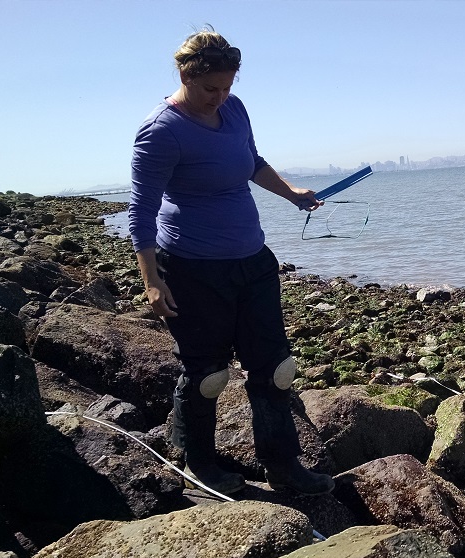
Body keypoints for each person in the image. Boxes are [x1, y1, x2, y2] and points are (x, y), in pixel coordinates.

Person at [128, 27, 334, 496]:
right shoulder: (161, 131)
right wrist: (152, 281)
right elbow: (140, 212)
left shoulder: (234, 110)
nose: (219, 97)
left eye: (228, 87)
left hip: (252, 260)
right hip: (193, 268)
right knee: (207, 375)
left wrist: (291, 194)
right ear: (185, 74)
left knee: (276, 368)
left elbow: (252, 161)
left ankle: (284, 467)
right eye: (209, 89)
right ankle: (198, 462)